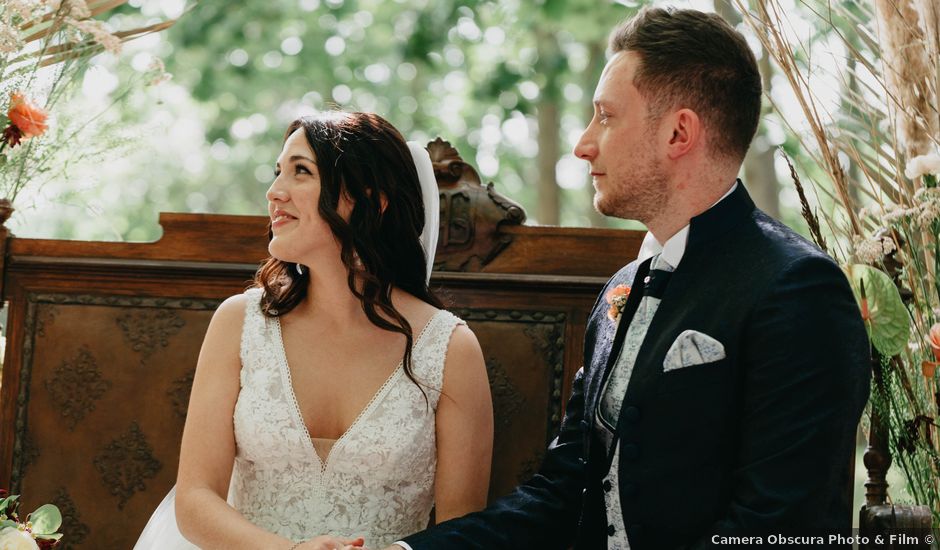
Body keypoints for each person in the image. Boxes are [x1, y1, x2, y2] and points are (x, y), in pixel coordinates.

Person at [390, 7, 870, 550]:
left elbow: (777, 527)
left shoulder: (798, 289)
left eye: (606, 116)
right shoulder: (622, 287)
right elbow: (563, 492)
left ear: (678, 132)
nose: (583, 143)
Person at [134, 112, 494, 550]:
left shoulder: (450, 349)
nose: (274, 192)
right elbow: (194, 500)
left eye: (301, 171)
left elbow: (462, 534)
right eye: (277, 171)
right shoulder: (240, 322)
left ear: (369, 199)